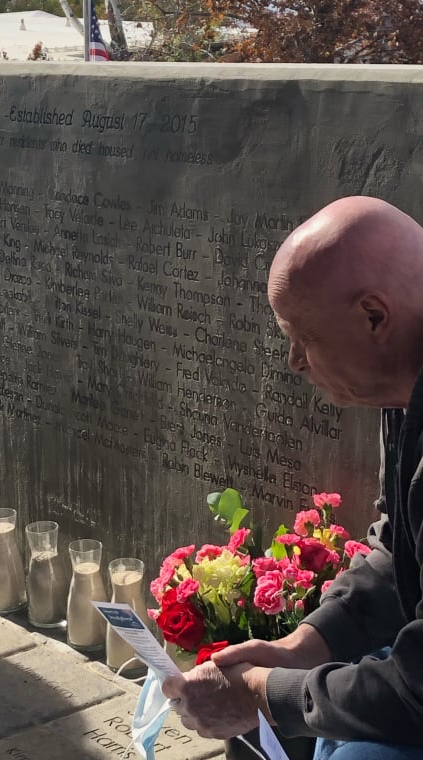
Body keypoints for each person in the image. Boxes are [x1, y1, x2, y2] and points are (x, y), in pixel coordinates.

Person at [162, 196, 423, 759]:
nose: (294, 361)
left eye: (304, 336)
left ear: (374, 316)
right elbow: (396, 550)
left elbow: (417, 694)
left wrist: (262, 692)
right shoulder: (404, 385)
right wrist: (306, 644)